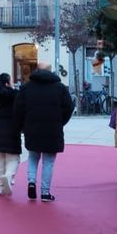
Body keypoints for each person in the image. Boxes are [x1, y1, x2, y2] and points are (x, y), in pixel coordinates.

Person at [14, 62, 73, 202]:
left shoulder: (26, 87)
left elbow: (18, 109)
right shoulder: (60, 87)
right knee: (48, 161)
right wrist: (60, 122)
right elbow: (68, 108)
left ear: (36, 70)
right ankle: (45, 192)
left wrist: (22, 126)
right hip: (53, 129)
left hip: (32, 128)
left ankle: (31, 182)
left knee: (33, 157)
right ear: (51, 71)